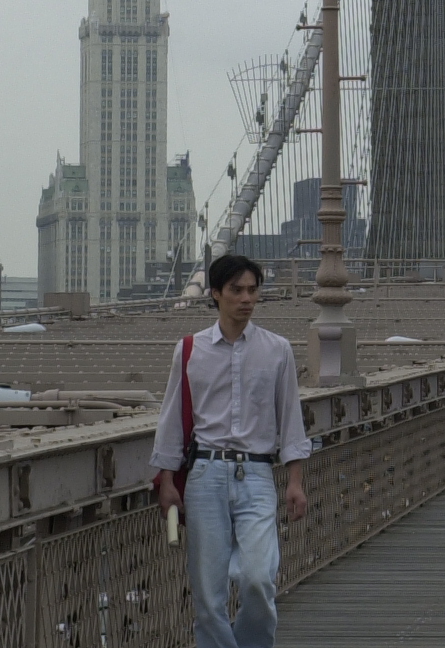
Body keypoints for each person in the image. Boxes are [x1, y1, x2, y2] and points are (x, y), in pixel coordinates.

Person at [153, 254, 311, 648]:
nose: (246, 299)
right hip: (205, 475)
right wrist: (167, 481)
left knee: (258, 578)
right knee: (208, 595)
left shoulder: (278, 350)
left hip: (257, 473)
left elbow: (291, 419)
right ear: (215, 294)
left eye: (253, 290)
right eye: (236, 290)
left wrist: (295, 481)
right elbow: (171, 419)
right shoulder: (189, 350)